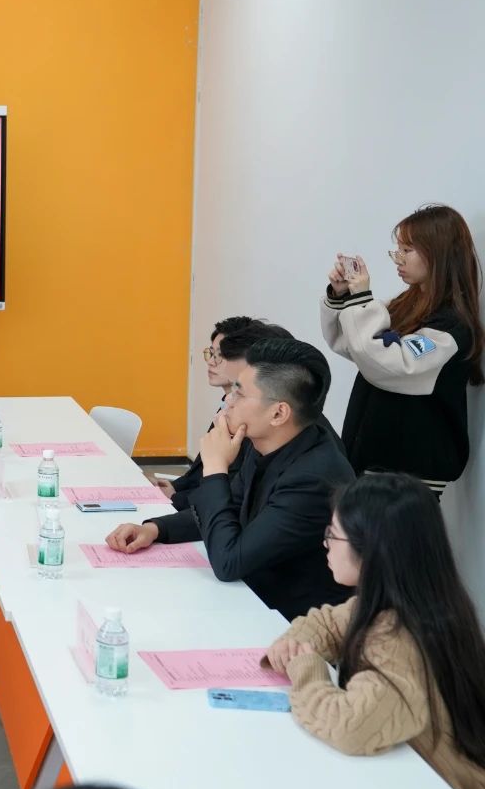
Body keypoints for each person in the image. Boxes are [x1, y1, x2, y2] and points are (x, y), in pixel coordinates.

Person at [265, 474, 485, 789]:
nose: (325, 544)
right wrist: (294, 644)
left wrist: (307, 671)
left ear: (371, 550)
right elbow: (327, 623)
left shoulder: (398, 639)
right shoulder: (418, 602)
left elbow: (351, 727)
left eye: (332, 535)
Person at [107, 338, 355, 620]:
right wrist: (157, 529)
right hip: (249, 597)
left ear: (278, 413)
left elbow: (228, 562)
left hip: (288, 622)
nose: (228, 401)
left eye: (240, 393)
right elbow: (231, 507)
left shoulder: (313, 480)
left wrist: (215, 468)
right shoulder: (267, 442)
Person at [321, 204, 484, 497]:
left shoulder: (451, 327)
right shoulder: (405, 305)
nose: (398, 258)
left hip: (408, 475)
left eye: (407, 250)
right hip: (373, 464)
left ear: (438, 253)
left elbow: (391, 364)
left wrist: (361, 299)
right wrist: (341, 295)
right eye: (398, 250)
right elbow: (355, 345)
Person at [160, 319, 293, 509]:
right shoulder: (232, 405)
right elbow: (202, 472)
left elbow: (232, 495)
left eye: (222, 355)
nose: (212, 362)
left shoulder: (258, 421)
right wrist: (174, 488)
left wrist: (176, 498)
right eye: (211, 353)